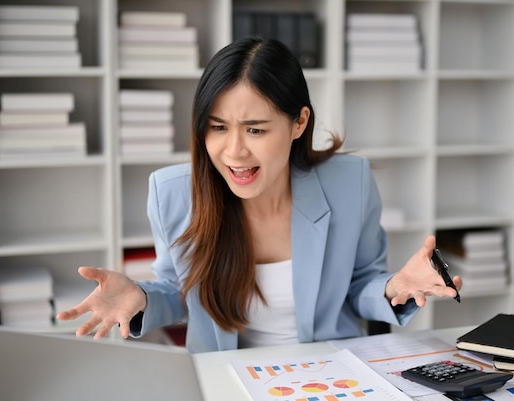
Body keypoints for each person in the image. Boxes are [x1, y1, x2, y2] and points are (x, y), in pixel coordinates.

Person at [57, 37, 462, 354]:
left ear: (299, 122)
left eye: (255, 129)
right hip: (226, 377)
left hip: (332, 371)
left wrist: (395, 287)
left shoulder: (349, 182)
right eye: (218, 127)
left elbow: (358, 287)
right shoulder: (173, 193)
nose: (234, 152)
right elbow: (179, 292)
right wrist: (140, 296)